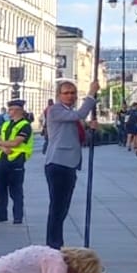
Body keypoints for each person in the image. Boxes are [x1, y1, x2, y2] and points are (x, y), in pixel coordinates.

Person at [43, 78, 99, 249]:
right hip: (58, 163)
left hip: (69, 164)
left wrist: (90, 127)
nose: (70, 96)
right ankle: (53, 244)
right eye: (66, 93)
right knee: (57, 207)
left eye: (73, 93)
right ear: (59, 95)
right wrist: (91, 94)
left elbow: (74, 132)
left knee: (63, 207)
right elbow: (79, 114)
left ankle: (56, 243)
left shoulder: (67, 111)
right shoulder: (54, 110)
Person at [0, 97, 32, 224]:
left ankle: (18, 216)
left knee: (16, 191)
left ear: (18, 110)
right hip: (2, 160)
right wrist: (2, 146)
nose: (9, 112)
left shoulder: (25, 126)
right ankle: (0, 214)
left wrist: (1, 143)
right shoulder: (6, 124)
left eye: (11, 110)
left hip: (16, 161)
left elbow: (16, 142)